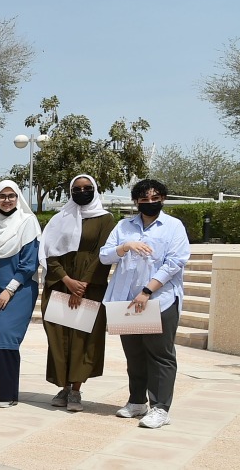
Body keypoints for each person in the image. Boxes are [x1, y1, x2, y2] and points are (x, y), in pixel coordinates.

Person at [100, 178, 190, 429]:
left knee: (160, 355)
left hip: (159, 300)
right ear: (136, 201)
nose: (150, 203)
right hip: (126, 302)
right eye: (144, 199)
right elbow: (104, 256)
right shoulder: (123, 226)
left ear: (163, 198)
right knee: (134, 354)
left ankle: (160, 408)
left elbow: (175, 262)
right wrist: (124, 246)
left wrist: (147, 291)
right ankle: (137, 401)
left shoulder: (173, 226)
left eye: (155, 198)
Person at [40, 174, 114, 412]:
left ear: (95, 189)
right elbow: (50, 252)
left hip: (90, 287)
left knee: (83, 339)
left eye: (87, 188)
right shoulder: (60, 218)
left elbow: (102, 255)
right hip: (62, 283)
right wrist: (67, 280)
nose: (82, 192)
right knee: (60, 338)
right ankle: (62, 386)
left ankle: (76, 390)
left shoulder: (106, 219)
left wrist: (81, 285)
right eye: (77, 188)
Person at [0, 180, 43, 408]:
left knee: (4, 336)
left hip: (19, 290)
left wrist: (9, 290)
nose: (7, 200)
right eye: (2, 196)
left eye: (11, 196)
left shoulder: (27, 222)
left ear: (18, 197)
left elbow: (29, 264)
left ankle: (7, 393)